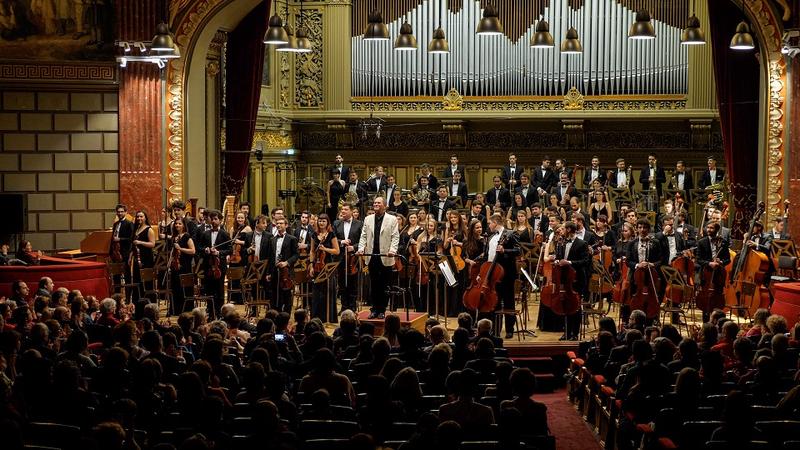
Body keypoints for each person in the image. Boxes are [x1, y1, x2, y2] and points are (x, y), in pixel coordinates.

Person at [357, 196, 400, 319]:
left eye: (378, 203)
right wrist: (361, 248)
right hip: (372, 255)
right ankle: (374, 309)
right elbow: (363, 236)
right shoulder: (368, 219)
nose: (375, 204)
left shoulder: (392, 219)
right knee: (374, 284)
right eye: (374, 202)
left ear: (385, 206)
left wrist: (392, 250)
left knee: (384, 284)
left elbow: (395, 236)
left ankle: (382, 309)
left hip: (385, 255)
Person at [483, 214, 519, 339]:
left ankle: (509, 329)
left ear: (495, 222)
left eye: (490, 223)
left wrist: (505, 251)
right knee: (495, 302)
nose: (489, 226)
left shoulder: (511, 234)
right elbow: (487, 256)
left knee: (509, 302)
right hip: (493, 274)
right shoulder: (491, 237)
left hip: (506, 274)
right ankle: (496, 330)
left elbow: (518, 250)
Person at [195, 209, 231, 318]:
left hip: (220, 267)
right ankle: (210, 312)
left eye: (216, 219)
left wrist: (219, 252)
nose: (214, 221)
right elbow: (199, 248)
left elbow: (230, 250)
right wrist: (205, 250)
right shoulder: (205, 234)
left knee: (219, 291)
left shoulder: (225, 234)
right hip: (208, 266)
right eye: (212, 219)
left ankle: (219, 313)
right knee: (209, 290)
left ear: (220, 220)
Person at [696, 222, 731, 322]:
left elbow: (728, 259)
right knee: (705, 299)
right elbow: (698, 259)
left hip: (718, 274)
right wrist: (709, 263)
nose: (709, 229)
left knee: (717, 298)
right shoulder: (701, 242)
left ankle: (717, 322)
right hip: (706, 273)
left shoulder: (723, 242)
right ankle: (705, 322)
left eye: (711, 228)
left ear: (717, 230)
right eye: (708, 227)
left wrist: (721, 262)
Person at [309, 214, 340, 322]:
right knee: (317, 293)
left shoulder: (331, 234)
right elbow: (312, 251)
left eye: (324, 221)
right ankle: (316, 317)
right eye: (320, 221)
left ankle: (328, 317)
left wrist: (325, 249)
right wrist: (311, 265)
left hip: (328, 266)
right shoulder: (314, 234)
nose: (321, 223)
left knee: (328, 292)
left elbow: (337, 251)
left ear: (327, 223)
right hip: (317, 266)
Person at [266, 217, 298, 313]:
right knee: (275, 294)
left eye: (281, 223)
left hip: (286, 271)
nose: (278, 225)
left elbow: (296, 255)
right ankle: (276, 314)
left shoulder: (292, 239)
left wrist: (286, 262)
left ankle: (286, 316)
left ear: (286, 225)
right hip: (275, 270)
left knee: (286, 294)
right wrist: (268, 273)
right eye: (277, 223)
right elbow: (270, 257)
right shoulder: (272, 239)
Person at [335, 204, 362, 312]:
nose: (343, 211)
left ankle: (352, 307)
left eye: (346, 209)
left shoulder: (359, 224)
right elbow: (332, 238)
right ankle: (344, 306)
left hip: (353, 258)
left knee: (353, 283)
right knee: (342, 283)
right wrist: (341, 241)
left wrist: (354, 247)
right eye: (342, 209)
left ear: (351, 211)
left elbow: (363, 240)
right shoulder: (336, 223)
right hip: (340, 257)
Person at [130, 210, 156, 315]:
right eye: (138, 217)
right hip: (137, 259)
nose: (139, 218)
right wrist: (131, 256)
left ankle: (149, 309)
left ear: (145, 218)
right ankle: (139, 308)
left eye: (141, 216)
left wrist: (140, 242)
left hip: (146, 259)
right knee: (138, 282)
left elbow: (152, 244)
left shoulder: (149, 229)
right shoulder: (136, 229)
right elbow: (133, 246)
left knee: (147, 284)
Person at [169, 216, 196, 315]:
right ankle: (176, 310)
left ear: (184, 225)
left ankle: (186, 309)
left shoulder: (187, 236)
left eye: (180, 223)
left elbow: (193, 251)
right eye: (176, 223)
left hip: (185, 266)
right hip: (175, 266)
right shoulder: (174, 237)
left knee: (184, 288)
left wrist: (180, 248)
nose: (177, 225)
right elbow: (172, 253)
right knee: (175, 288)